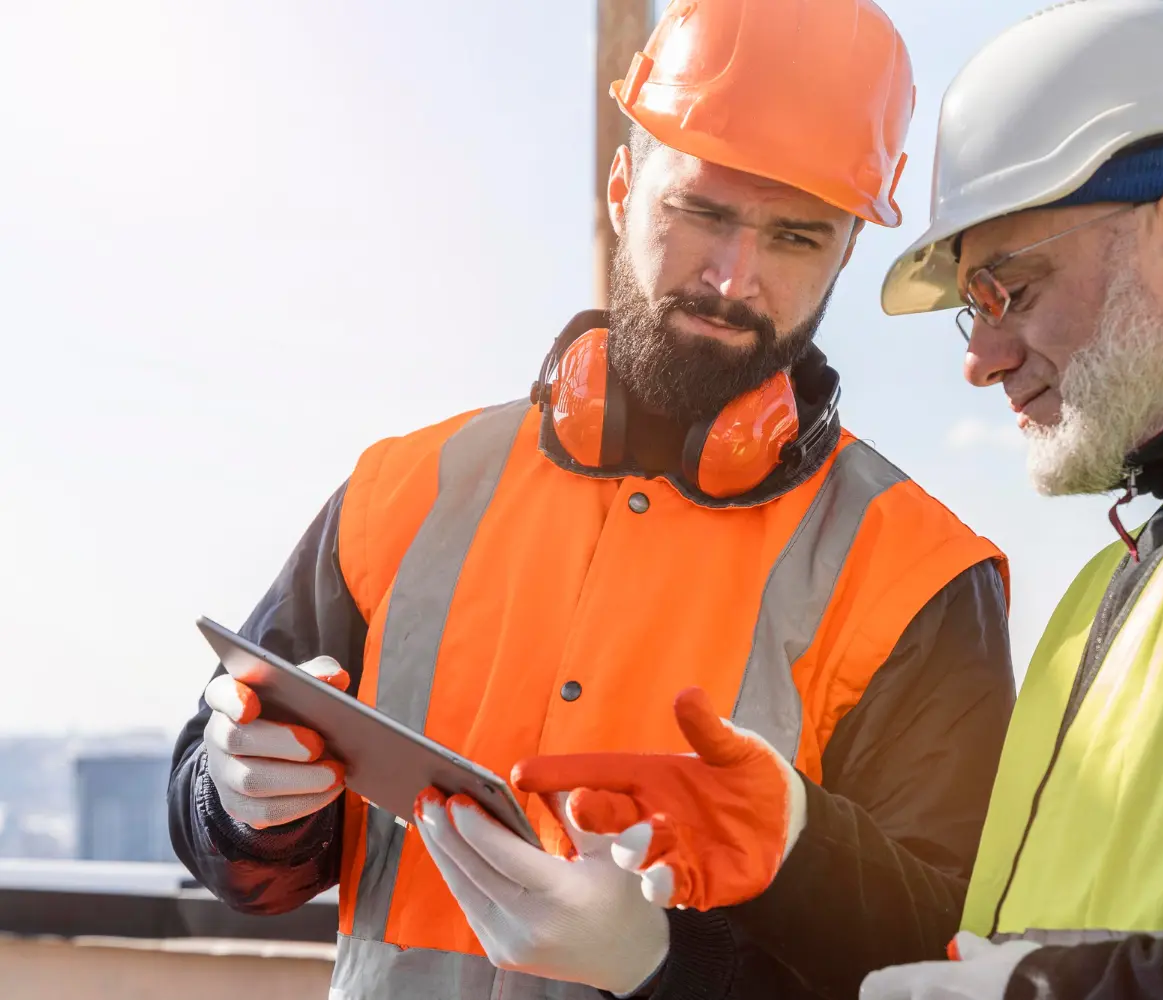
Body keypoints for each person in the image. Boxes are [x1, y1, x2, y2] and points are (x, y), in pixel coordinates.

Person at [516, 1, 1163, 998]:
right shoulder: (1104, 595)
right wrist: (801, 852)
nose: (980, 362)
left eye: (1007, 292)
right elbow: (974, 950)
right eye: (971, 313)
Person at [165, 1, 1017, 998]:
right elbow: (231, 838)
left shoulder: (920, 576)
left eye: (795, 235)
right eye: (701, 210)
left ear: (844, 254)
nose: (733, 276)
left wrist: (663, 969)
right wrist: (236, 797)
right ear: (623, 187)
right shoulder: (403, 490)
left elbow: (938, 961)